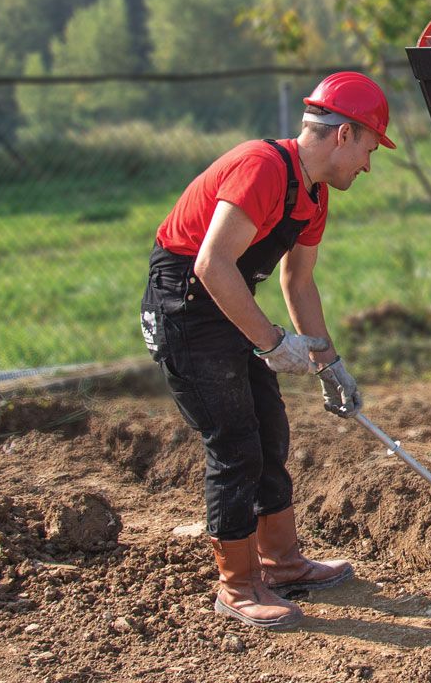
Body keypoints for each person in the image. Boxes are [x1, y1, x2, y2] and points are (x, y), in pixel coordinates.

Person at [140, 72, 396, 629]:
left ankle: (281, 563)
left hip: (227, 302)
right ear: (345, 135)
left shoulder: (314, 194)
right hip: (186, 304)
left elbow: (297, 283)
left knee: (270, 430)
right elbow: (211, 264)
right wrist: (273, 342)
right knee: (235, 443)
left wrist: (330, 365)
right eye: (370, 149)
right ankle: (237, 586)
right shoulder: (262, 167)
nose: (368, 166)